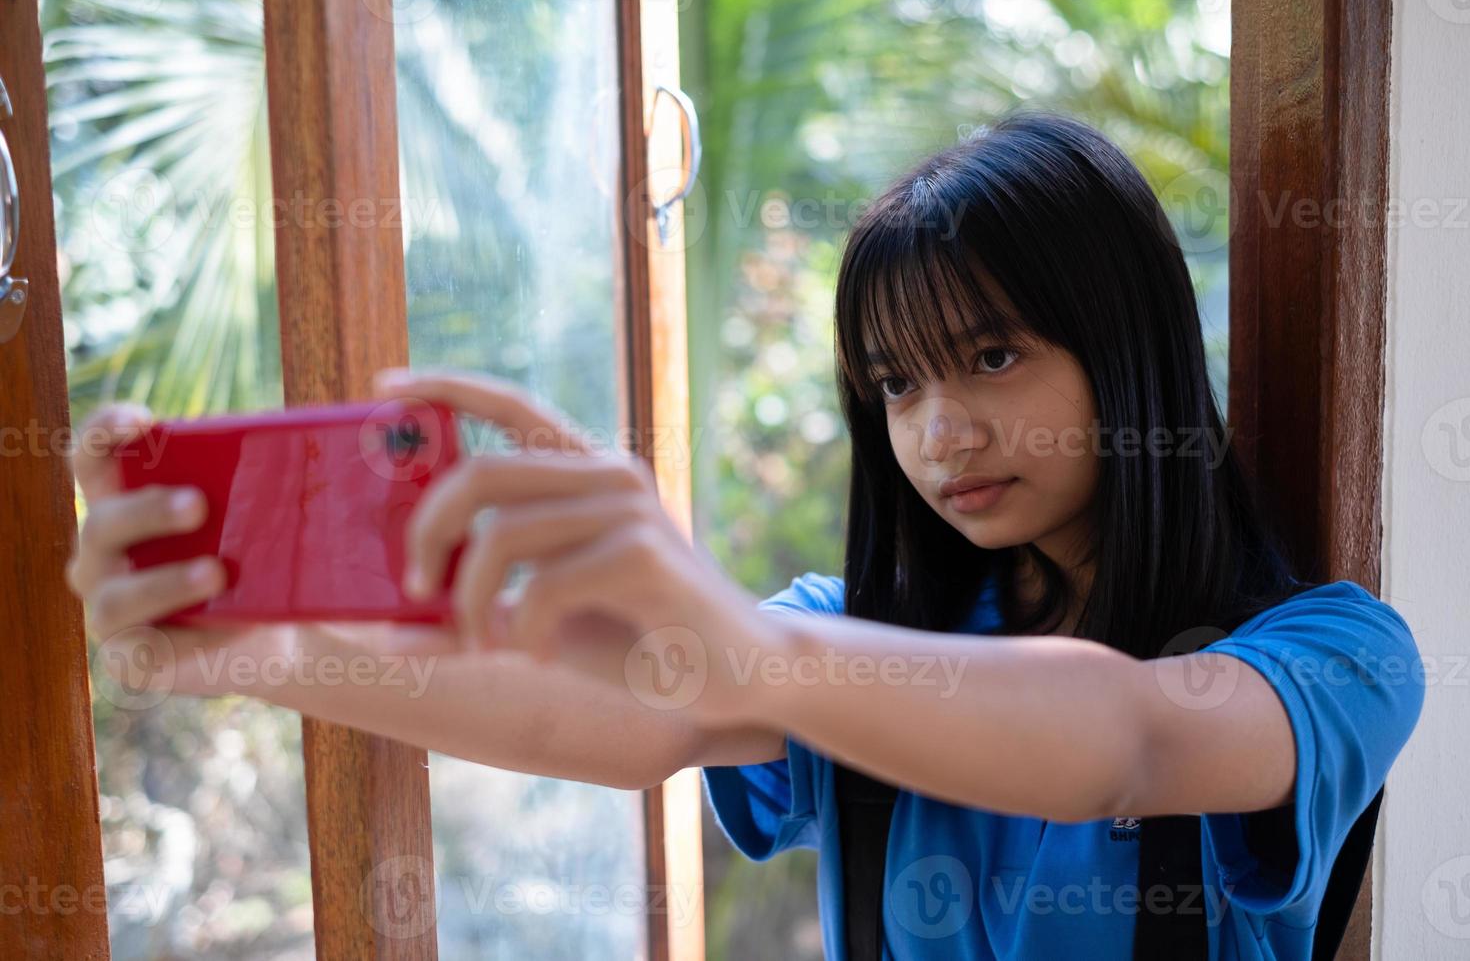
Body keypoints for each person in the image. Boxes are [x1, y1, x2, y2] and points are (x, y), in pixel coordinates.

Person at [65, 111, 1424, 959]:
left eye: (992, 355)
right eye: (894, 383)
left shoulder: (1339, 657)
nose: (938, 429)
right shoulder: (838, 628)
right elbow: (603, 726)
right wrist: (258, 648)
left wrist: (744, 648)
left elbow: (1129, 737)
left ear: (1126, 352)